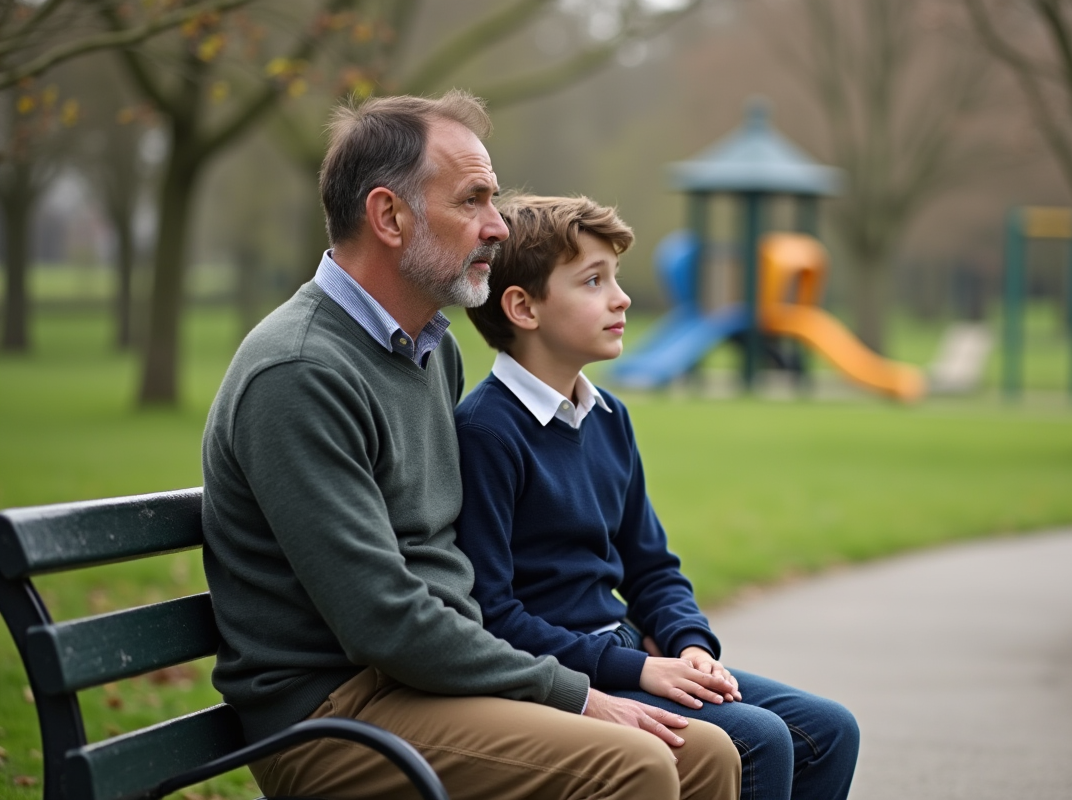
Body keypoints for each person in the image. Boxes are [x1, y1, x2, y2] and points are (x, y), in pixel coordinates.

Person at [200, 93, 741, 800]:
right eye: (473, 200)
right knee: (634, 762)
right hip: (334, 714)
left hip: (428, 681)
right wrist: (575, 693)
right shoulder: (301, 372)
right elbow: (383, 619)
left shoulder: (428, 354)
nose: (496, 226)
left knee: (706, 754)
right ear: (390, 217)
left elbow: (454, 570)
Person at [454, 194, 861, 800]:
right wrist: (640, 668)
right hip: (566, 675)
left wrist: (689, 645)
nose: (620, 298)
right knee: (760, 740)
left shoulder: (608, 416)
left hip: (629, 653)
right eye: (593, 281)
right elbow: (493, 613)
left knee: (829, 730)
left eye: (614, 278)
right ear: (523, 307)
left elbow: (652, 567)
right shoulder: (487, 432)